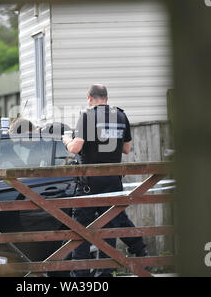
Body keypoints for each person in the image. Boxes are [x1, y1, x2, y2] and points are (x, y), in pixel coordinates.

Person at [62, 83, 148, 277]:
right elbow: (126, 149)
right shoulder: (121, 116)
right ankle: (107, 271)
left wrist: (67, 140)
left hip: (89, 184)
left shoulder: (87, 116)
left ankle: (81, 276)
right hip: (113, 182)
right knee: (110, 224)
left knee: (81, 227)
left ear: (89, 97)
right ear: (107, 99)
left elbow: (76, 148)